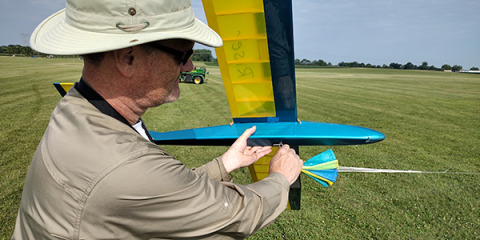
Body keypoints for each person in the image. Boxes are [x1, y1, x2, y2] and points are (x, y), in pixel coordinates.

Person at [12, 0, 303, 239]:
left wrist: (225, 164)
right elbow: (237, 214)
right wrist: (280, 177)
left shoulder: (78, 105)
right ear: (129, 59)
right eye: (183, 54)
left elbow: (157, 193)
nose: (189, 66)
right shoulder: (123, 164)